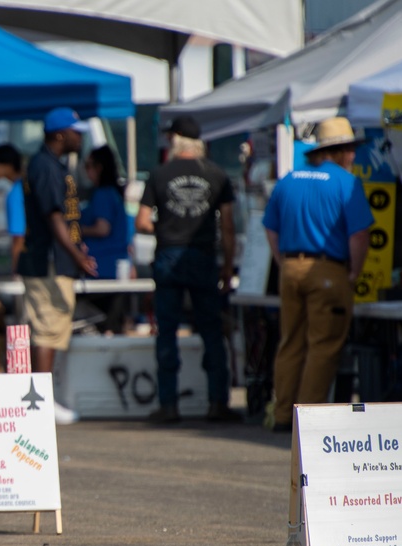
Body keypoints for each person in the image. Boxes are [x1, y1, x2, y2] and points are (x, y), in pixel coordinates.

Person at [262, 117, 374, 432]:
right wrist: (354, 271)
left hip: (291, 267)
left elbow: (270, 228)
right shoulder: (346, 182)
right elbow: (359, 235)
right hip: (328, 269)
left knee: (291, 341)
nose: (352, 156)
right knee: (323, 345)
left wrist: (283, 262)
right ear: (340, 151)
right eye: (350, 149)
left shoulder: (289, 179)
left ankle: (283, 414)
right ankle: (307, 420)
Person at [135, 116, 240, 424]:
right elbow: (229, 227)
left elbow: (141, 221)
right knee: (211, 330)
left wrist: (166, 228)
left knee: (166, 331)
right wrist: (228, 266)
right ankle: (217, 403)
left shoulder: (159, 174)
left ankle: (168, 405)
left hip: (169, 254)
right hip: (204, 256)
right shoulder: (218, 175)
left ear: (175, 139)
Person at [17, 107, 98, 426]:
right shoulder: (46, 166)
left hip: (54, 259)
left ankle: (46, 400)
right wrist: (76, 256)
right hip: (46, 261)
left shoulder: (51, 164)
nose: (80, 137)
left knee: (54, 329)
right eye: (76, 131)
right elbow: (53, 218)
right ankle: (41, 403)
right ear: (59, 134)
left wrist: (77, 248)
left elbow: (62, 218)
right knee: (47, 331)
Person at [81, 144, 133, 333]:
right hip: (115, 269)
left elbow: (102, 228)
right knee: (114, 325)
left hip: (101, 270)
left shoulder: (103, 194)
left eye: (88, 165)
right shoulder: (115, 194)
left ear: (99, 167)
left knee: (105, 326)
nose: (85, 171)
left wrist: (74, 230)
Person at [0, 143, 25, 276]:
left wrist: (16, 270)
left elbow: (18, 237)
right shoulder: (26, 186)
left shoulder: (15, 193)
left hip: (28, 264)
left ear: (7, 165)